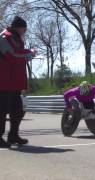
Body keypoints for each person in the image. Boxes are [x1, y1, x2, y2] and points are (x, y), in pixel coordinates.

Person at [0, 16, 37, 148]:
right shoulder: (4, 37)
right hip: (3, 83)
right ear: (18, 27)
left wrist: (27, 54)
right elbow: (13, 55)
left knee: (18, 110)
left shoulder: (16, 38)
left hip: (14, 82)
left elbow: (18, 55)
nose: (25, 30)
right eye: (24, 28)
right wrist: (30, 53)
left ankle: (13, 135)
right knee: (2, 111)